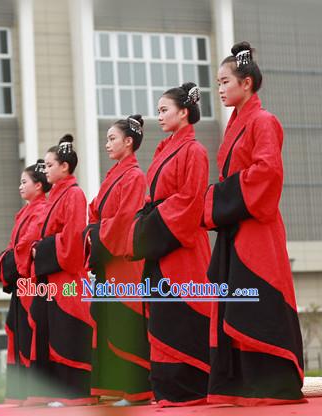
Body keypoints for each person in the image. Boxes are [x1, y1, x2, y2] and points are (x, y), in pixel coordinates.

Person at [203, 41, 305, 405]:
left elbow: (267, 173)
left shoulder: (264, 121)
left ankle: (270, 385)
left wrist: (215, 200)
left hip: (255, 226)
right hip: (236, 225)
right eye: (217, 82)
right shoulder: (236, 125)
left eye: (225, 81)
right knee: (234, 302)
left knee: (256, 300)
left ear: (247, 83)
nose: (220, 89)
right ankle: (241, 385)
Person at [126, 83, 211, 406]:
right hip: (160, 242)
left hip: (181, 248)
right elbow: (153, 199)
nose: (159, 116)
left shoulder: (195, 151)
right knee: (161, 316)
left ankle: (188, 390)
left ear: (184, 112)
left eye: (164, 110)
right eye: (158, 110)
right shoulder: (166, 149)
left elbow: (190, 201)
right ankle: (166, 390)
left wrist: (148, 227)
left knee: (181, 314)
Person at [84, 114, 152, 406]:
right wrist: (91, 232)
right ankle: (120, 388)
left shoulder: (135, 176)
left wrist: (96, 234)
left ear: (129, 142)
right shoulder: (114, 175)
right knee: (111, 322)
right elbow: (95, 210)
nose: (107, 144)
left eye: (112, 138)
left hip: (125, 261)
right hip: (109, 260)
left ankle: (137, 391)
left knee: (127, 323)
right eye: (107, 139)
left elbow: (126, 219)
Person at [26, 135, 97, 407]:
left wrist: (40, 250)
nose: (45, 170)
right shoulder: (57, 194)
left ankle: (75, 394)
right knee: (54, 331)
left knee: (68, 332)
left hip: (67, 277)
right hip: (52, 275)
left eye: (49, 164)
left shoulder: (74, 194)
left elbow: (72, 238)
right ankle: (60, 393)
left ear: (65, 167)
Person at [0, 159, 51, 404]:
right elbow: (15, 247)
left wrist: (8, 258)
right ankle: (21, 391)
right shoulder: (26, 211)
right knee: (17, 330)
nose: (20, 186)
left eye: (24, 181)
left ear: (38, 186)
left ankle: (34, 390)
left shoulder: (41, 210)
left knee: (30, 332)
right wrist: (9, 257)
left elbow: (25, 246)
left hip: (31, 283)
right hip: (21, 282)